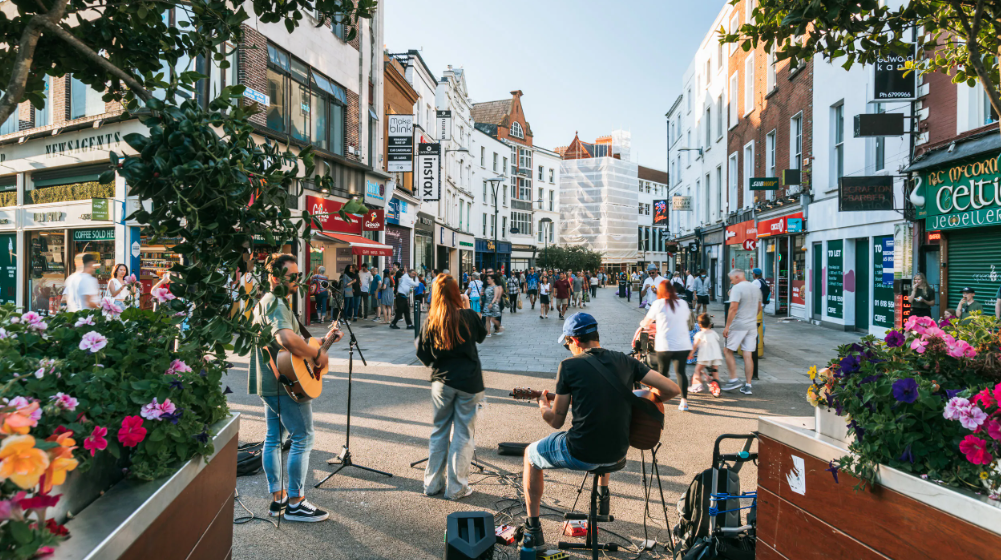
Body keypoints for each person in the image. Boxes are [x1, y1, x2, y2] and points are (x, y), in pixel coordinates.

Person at [519, 313, 681, 552]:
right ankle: (602, 498)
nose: (568, 348)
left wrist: (543, 405)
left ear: (574, 340)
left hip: (581, 452)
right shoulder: (626, 362)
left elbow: (556, 421)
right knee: (607, 429)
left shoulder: (569, 366)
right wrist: (643, 400)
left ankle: (534, 531)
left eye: (567, 343)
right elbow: (672, 389)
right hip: (617, 454)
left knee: (530, 456)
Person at [248, 253, 343, 522]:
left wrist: (323, 343)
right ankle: (296, 502)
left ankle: (278, 500)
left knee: (273, 438)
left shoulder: (267, 302)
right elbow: (287, 339)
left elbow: (291, 347)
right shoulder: (276, 302)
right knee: (303, 437)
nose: (298, 282)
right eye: (293, 277)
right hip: (284, 385)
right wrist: (316, 356)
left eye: (300, 276)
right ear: (275, 278)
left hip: (272, 381)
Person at [417, 274, 488, 500]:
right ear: (457, 293)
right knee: (463, 434)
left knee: (439, 431)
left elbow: (423, 356)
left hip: (442, 382)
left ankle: (432, 484)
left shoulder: (432, 320)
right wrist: (467, 308)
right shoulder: (468, 316)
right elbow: (482, 336)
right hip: (469, 382)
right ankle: (456, 488)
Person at [640, 281, 694, 411]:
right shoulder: (682, 303)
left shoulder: (658, 304)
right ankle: (684, 401)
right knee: (681, 372)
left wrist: (643, 324)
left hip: (665, 344)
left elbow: (647, 322)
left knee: (663, 373)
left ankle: (662, 397)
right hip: (683, 344)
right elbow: (686, 319)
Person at [721, 269, 762, 395]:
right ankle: (748, 385)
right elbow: (759, 307)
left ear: (737, 277)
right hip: (752, 325)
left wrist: (727, 326)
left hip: (738, 324)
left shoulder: (737, 288)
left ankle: (733, 379)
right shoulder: (755, 288)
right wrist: (751, 318)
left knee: (727, 351)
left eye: (732, 279)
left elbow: (733, 308)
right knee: (748, 354)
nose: (732, 282)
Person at [688, 313, 723, 396]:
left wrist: (691, 354)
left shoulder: (699, 334)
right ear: (710, 324)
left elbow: (695, 346)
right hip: (716, 355)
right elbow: (717, 339)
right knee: (715, 371)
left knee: (697, 370)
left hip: (705, 356)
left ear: (699, 324)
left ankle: (697, 386)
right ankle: (716, 388)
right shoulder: (713, 333)